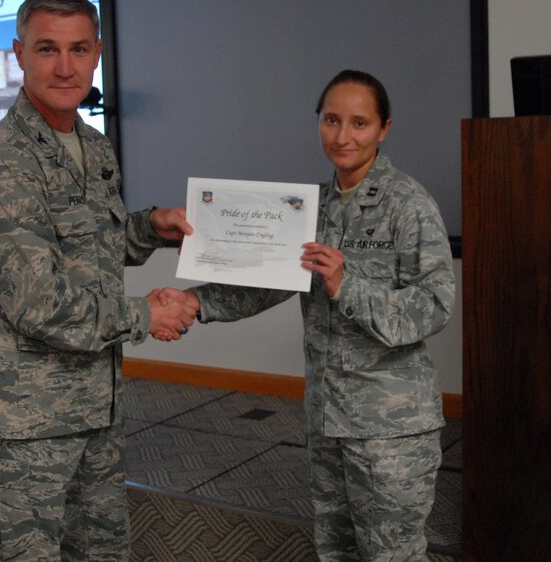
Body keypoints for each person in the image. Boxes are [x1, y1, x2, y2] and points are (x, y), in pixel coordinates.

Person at [171, 70, 455, 561]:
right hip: (327, 416)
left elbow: (433, 306)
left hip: (391, 428)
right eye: (331, 120)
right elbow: (266, 283)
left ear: (384, 128)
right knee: (337, 548)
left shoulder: (408, 205)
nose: (342, 136)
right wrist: (196, 302)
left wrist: (349, 286)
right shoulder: (309, 208)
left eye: (359, 123)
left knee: (393, 554)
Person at [0, 0, 195, 561]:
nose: (65, 67)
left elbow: (92, 249)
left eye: (78, 49)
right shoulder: (5, 161)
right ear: (18, 54)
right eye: (46, 49)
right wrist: (145, 314)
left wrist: (151, 227)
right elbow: (36, 301)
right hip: (23, 423)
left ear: (97, 53)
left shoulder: (94, 145)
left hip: (94, 406)